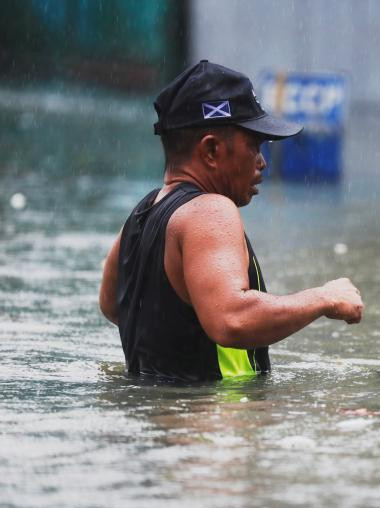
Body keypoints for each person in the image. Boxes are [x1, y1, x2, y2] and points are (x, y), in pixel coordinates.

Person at [98, 60, 364, 382]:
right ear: (211, 150)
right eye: (253, 145)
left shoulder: (140, 215)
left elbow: (112, 304)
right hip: (212, 424)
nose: (262, 162)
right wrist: (324, 297)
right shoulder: (210, 210)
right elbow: (231, 318)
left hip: (156, 420)